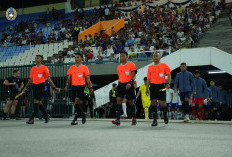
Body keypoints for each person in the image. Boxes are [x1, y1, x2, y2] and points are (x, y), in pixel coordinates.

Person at [22, 55, 60, 124]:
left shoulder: (44, 68)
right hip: (35, 86)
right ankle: (46, 116)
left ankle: (32, 118)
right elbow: (31, 79)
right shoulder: (33, 68)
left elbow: (48, 78)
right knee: (38, 102)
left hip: (41, 86)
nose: (36, 59)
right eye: (35, 58)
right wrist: (26, 87)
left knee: (36, 102)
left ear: (41, 60)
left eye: (38, 58)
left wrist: (54, 87)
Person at [65, 53, 93, 125]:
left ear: (81, 59)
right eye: (75, 57)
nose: (76, 59)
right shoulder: (72, 67)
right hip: (74, 86)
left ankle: (75, 119)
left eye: (78, 57)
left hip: (81, 86)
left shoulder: (84, 67)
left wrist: (90, 88)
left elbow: (88, 79)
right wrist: (67, 85)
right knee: (75, 103)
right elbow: (69, 78)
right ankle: (83, 115)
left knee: (77, 101)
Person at [112, 51, 137, 126]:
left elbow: (134, 75)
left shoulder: (131, 64)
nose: (121, 57)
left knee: (130, 102)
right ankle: (118, 120)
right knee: (118, 100)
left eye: (123, 56)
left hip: (129, 84)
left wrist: (130, 83)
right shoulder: (119, 66)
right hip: (121, 85)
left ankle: (134, 118)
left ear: (127, 57)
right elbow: (120, 76)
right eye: (121, 56)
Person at [146, 52, 171, 126]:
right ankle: (154, 120)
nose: (155, 57)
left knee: (162, 103)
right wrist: (147, 88)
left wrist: (168, 83)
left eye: (157, 56)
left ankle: (165, 116)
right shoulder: (150, 67)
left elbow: (169, 75)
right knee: (153, 102)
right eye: (154, 56)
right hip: (153, 86)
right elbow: (148, 79)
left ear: (160, 57)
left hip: (161, 86)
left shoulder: (164, 65)